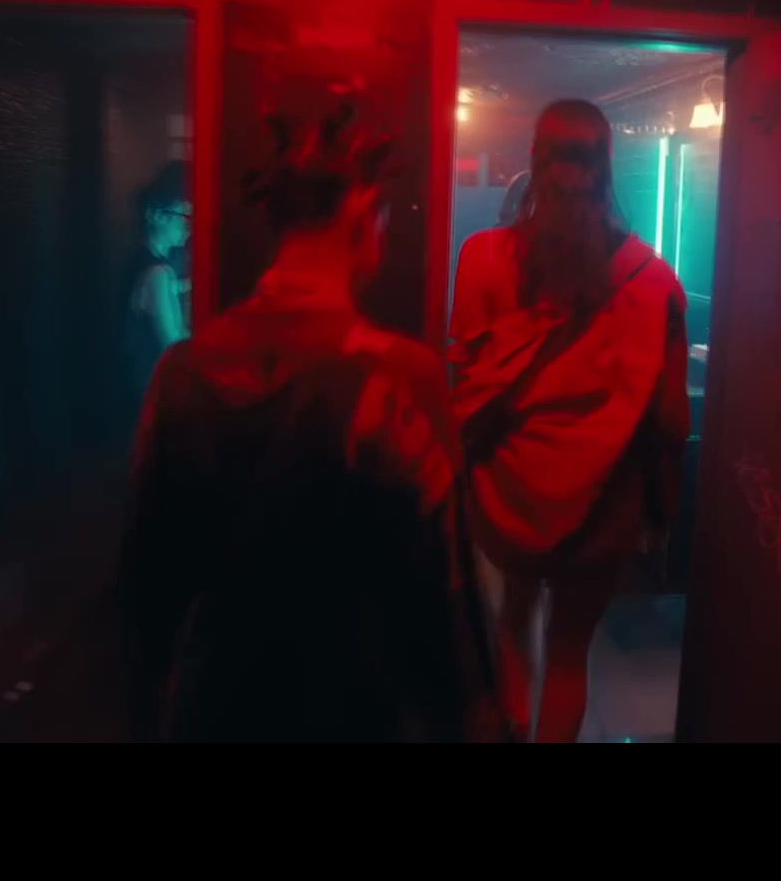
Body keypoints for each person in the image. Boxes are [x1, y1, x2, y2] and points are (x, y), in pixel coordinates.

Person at [120, 100, 504, 743]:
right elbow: (446, 590)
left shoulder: (181, 372)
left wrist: (146, 710)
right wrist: (473, 714)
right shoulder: (396, 379)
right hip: (351, 705)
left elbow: (144, 582)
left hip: (213, 706)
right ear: (362, 213)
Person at [449, 99, 689, 743]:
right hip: (604, 509)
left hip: (507, 498)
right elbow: (670, 420)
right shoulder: (654, 281)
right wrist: (662, 513)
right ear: (609, 166)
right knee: (567, 656)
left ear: (535, 160)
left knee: (513, 626)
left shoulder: (481, 258)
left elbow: (465, 382)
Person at [124, 162, 191, 407]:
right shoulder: (158, 273)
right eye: (183, 216)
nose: (188, 226)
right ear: (157, 215)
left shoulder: (139, 263)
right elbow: (175, 347)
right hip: (151, 394)